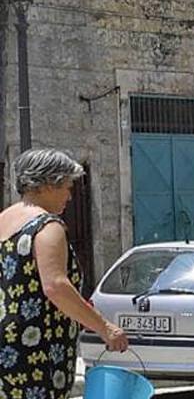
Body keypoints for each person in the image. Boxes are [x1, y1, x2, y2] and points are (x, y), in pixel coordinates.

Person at [0, 149, 129, 399]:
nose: (69, 197)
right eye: (67, 187)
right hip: (36, 347)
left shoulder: (4, 220)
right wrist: (105, 328)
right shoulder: (47, 226)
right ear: (49, 184)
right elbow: (56, 286)